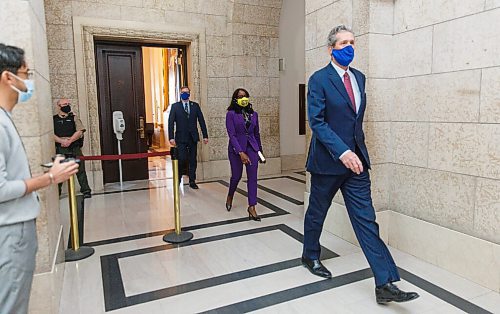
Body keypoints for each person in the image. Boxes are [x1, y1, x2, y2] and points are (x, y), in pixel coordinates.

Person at [302, 26, 419, 304]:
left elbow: (354, 121)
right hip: (328, 162)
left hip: (357, 164)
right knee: (317, 213)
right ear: (331, 49)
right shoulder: (319, 79)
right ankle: (310, 255)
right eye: (343, 43)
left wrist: (355, 153)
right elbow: (317, 122)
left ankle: (385, 283)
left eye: (352, 42)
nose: (349, 47)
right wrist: (342, 152)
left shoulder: (359, 78)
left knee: (367, 221)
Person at [0, 43, 78, 314]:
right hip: (10, 231)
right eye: (26, 72)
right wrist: (49, 178)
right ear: (8, 77)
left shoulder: (5, 118)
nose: (29, 81)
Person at [225, 88, 263, 221]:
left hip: (252, 147)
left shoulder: (254, 114)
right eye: (240, 96)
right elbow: (232, 134)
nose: (243, 98)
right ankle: (230, 195)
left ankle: (252, 207)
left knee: (253, 177)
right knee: (236, 176)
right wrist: (240, 152)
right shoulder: (230, 114)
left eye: (245, 96)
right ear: (235, 99)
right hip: (236, 149)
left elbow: (256, 134)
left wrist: (260, 152)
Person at [168, 86, 208, 189]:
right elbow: (171, 123)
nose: (185, 94)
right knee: (181, 159)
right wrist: (171, 137)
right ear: (180, 93)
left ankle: (192, 180)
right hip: (180, 138)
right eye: (183, 92)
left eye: (187, 92)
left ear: (189, 93)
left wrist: (205, 135)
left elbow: (201, 120)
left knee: (192, 160)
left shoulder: (195, 106)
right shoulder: (175, 106)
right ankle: (178, 178)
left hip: (192, 137)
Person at [53, 98, 92, 198]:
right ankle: (57, 193)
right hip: (61, 147)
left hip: (74, 147)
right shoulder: (53, 119)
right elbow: (50, 134)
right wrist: (62, 141)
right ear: (59, 106)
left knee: (80, 169)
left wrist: (69, 141)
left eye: (68, 103)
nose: (67, 105)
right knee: (60, 170)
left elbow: (80, 131)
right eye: (64, 104)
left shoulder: (74, 117)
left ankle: (86, 190)